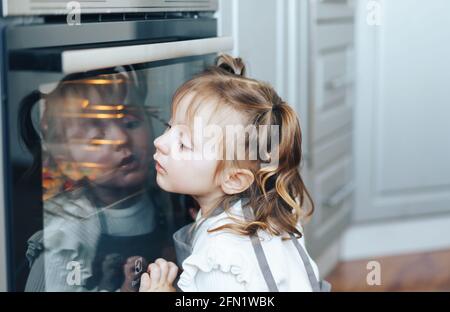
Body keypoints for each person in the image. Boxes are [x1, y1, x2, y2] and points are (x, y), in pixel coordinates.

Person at [139, 54, 331, 292]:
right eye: (169, 127)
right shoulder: (266, 213)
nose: (160, 141)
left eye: (183, 144)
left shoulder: (221, 261)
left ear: (234, 179)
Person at [23, 67, 172, 291]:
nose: (121, 138)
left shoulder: (163, 195)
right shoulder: (72, 229)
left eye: (130, 123)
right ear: (69, 164)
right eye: (96, 138)